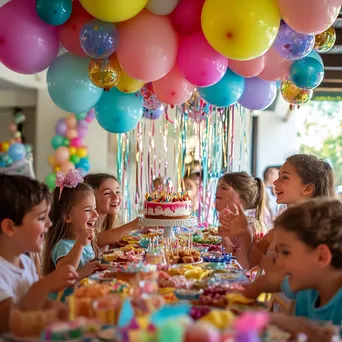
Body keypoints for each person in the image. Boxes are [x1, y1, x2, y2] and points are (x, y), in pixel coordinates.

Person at [219, 154, 335, 271]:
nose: (275, 182)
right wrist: (236, 237)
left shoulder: (315, 231)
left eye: (284, 177)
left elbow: (284, 278)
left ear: (307, 189)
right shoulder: (279, 229)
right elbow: (247, 263)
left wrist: (246, 235)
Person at [245, 198, 342, 328]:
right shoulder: (306, 284)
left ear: (321, 257)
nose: (278, 264)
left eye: (285, 252)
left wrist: (298, 326)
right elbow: (266, 282)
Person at [0, 174, 78, 332]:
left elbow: (37, 303)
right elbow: (9, 322)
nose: (49, 223)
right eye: (42, 218)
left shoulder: (26, 262)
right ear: (9, 227)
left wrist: (61, 309)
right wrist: (45, 284)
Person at [43, 170, 105, 300]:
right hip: (66, 304)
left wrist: (97, 266)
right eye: (88, 210)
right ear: (67, 217)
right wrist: (81, 245)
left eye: (95, 208)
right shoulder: (63, 246)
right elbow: (66, 273)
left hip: (86, 297)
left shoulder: (85, 241)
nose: (96, 215)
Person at [84, 173, 139, 248]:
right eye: (107, 193)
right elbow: (96, 240)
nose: (116, 197)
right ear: (91, 198)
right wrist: (134, 224)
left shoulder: (109, 223)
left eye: (117, 191)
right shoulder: (85, 226)